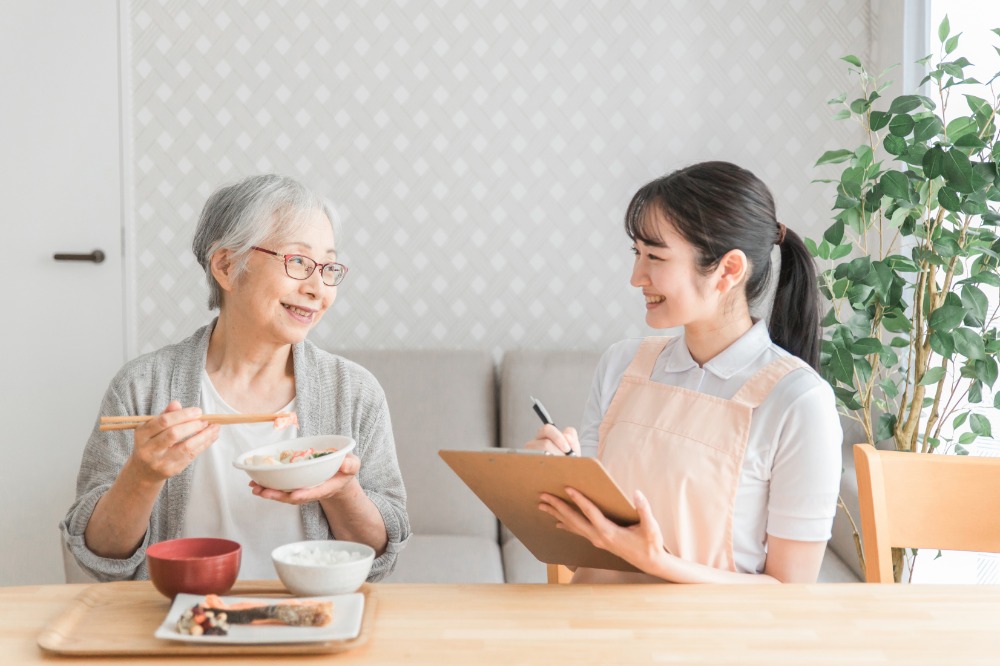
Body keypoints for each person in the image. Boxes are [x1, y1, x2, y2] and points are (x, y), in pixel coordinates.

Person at [60, 174, 410, 581]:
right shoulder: (143, 386)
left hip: (310, 621)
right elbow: (98, 555)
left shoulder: (354, 392)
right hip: (182, 623)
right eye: (298, 262)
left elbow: (383, 555)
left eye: (328, 266)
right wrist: (142, 475)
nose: (319, 289)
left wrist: (343, 490)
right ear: (227, 266)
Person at [527, 161, 842, 583]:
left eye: (655, 256)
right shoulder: (621, 365)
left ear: (729, 270)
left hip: (709, 643)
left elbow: (790, 593)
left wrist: (658, 562)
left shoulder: (799, 401)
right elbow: (581, 556)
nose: (636, 277)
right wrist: (549, 486)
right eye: (637, 253)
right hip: (595, 631)